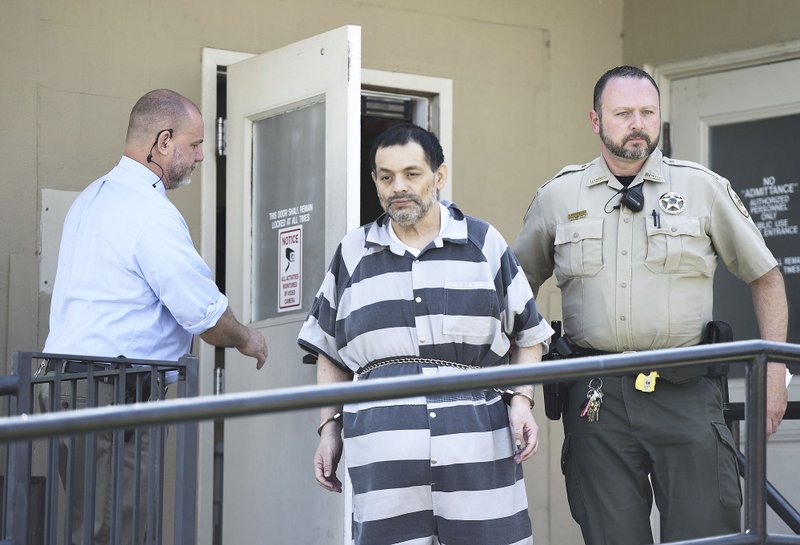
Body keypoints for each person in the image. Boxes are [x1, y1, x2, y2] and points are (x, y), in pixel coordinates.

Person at [512, 65, 789, 545]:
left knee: (708, 535)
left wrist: (774, 372)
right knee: (610, 535)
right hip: (595, 398)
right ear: (595, 121)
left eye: (647, 112)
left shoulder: (702, 188)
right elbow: (517, 295)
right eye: (623, 113)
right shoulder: (559, 196)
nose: (637, 123)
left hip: (687, 391)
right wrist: (518, 393)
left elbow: (765, 276)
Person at [297, 123, 553, 545]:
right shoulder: (352, 252)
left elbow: (529, 334)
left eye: (412, 173)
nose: (398, 186)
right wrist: (328, 429)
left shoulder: (483, 242)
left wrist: (523, 402)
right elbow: (329, 352)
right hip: (384, 456)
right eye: (385, 176)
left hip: (478, 447)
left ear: (439, 175)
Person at [41, 88, 268, 545]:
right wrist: (246, 338)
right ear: (163, 142)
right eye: (195, 143)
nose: (201, 156)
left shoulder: (92, 198)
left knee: (91, 526)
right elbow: (202, 312)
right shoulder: (150, 212)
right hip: (110, 392)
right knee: (114, 532)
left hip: (66, 386)